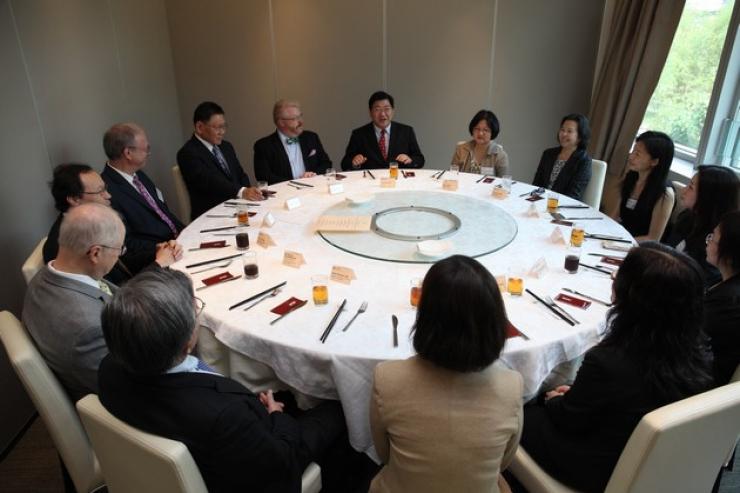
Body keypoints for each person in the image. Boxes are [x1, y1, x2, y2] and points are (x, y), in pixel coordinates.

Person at [98, 268, 372, 493]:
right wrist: (278, 418)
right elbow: (282, 465)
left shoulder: (108, 369)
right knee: (342, 403)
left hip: (179, 450)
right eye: (195, 311)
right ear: (186, 343)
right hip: (246, 471)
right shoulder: (225, 415)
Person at [520, 243, 713, 493]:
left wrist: (553, 399)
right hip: (653, 458)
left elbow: (569, 419)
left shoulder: (609, 360)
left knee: (518, 409)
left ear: (633, 294)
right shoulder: (699, 351)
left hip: (597, 467)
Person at [369, 255, 522, 493]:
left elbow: (384, 454)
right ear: (493, 320)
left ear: (426, 316)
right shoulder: (512, 385)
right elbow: (504, 461)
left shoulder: (387, 378)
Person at [22, 203, 125, 401]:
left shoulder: (46, 276)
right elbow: (124, 388)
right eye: (119, 249)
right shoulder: (88, 329)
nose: (119, 256)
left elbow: (108, 293)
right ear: (95, 253)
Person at [102, 123, 184, 276]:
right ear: (128, 153)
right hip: (156, 261)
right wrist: (163, 248)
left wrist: (186, 230)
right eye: (146, 149)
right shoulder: (107, 191)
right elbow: (127, 243)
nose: (148, 153)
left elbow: (163, 212)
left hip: (178, 243)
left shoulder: (138, 175)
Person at [177, 101, 263, 220]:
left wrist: (249, 196)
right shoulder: (188, 153)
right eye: (217, 127)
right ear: (199, 127)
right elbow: (209, 182)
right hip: (211, 215)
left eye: (224, 126)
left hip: (238, 209)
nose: (222, 132)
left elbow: (240, 174)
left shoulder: (226, 146)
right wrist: (242, 191)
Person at [664, 165, 739, 286]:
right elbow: (669, 249)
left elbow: (701, 281)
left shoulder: (717, 238)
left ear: (708, 196)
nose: (683, 190)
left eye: (691, 187)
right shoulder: (687, 217)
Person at [609, 131, 675, 241]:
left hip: (641, 249)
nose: (631, 156)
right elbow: (615, 216)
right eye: (633, 151)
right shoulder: (631, 177)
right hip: (620, 239)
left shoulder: (665, 194)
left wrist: (618, 242)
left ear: (654, 162)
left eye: (637, 154)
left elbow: (653, 238)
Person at [43, 164, 112, 263]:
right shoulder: (62, 250)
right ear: (75, 199)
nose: (108, 195)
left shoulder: (96, 221)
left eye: (105, 188)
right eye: (100, 191)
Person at [341, 91, 425, 170]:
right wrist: (354, 161)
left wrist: (410, 160)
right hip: (369, 183)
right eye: (377, 109)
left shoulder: (406, 131)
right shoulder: (359, 134)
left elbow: (420, 159)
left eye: (387, 109)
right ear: (370, 112)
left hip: (399, 181)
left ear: (392, 111)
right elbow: (345, 163)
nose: (382, 114)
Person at [254, 100, 332, 184]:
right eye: (295, 118)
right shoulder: (264, 146)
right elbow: (263, 176)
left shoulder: (311, 137)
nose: (301, 122)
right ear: (281, 122)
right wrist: (294, 183)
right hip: (284, 194)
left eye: (300, 116)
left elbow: (326, 164)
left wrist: (313, 175)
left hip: (313, 188)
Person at [705, 211, 740, 385]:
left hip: (700, 379)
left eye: (713, 238)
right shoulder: (727, 282)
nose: (708, 241)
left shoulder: (728, 302)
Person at [532, 113, 592, 200]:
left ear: (580, 136)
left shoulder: (584, 161)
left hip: (562, 207)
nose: (563, 134)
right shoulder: (548, 154)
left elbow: (573, 195)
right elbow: (537, 184)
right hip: (540, 201)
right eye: (562, 129)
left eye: (569, 131)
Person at [451, 110, 509, 176]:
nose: (480, 133)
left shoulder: (500, 155)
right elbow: (452, 175)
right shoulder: (461, 149)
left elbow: (503, 182)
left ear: (492, 132)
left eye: (485, 130)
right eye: (477, 129)